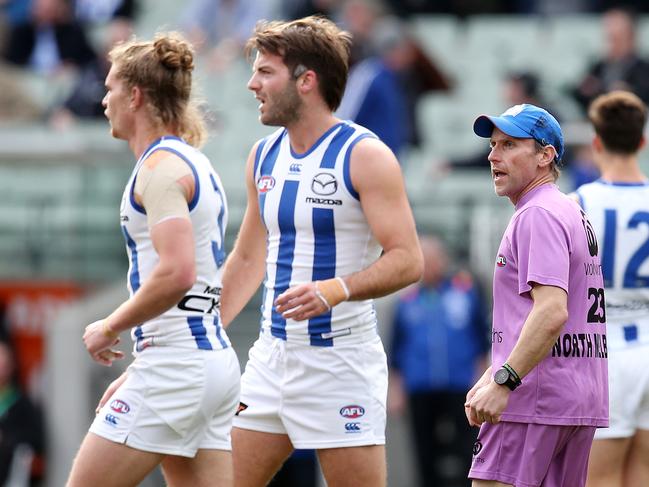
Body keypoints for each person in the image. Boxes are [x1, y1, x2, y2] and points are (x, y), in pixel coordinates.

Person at [219, 15, 423, 487]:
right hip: (271, 359)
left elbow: (408, 259)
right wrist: (202, 333)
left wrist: (337, 289)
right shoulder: (262, 155)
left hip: (341, 363)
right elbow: (247, 259)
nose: (252, 84)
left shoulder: (365, 155)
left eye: (265, 72)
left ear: (306, 81)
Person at [65, 31, 240, 487]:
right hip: (207, 362)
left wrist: (109, 326)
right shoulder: (192, 161)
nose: (104, 99)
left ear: (136, 95)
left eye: (110, 88)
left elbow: (177, 271)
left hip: (177, 366)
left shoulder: (160, 170)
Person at [466, 103, 609, 487]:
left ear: (546, 155)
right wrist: (491, 373)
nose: (494, 155)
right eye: (494, 145)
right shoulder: (568, 210)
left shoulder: (536, 214)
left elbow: (551, 312)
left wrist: (504, 381)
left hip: (534, 399)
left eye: (510, 145)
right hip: (577, 396)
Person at [575, 91, 649, 487]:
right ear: (642, 142)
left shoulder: (577, 203)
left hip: (605, 350)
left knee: (599, 478)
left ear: (596, 141)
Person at [388, 235, 489, 487]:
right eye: (424, 261)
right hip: (419, 387)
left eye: (433, 260)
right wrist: (396, 391)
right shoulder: (406, 301)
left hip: (461, 387)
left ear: (443, 261)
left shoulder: (464, 294)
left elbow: (482, 342)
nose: (429, 267)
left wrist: (482, 380)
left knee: (468, 447)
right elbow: (396, 351)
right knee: (424, 450)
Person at [572, 8, 649, 113]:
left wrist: (630, 92)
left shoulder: (643, 69)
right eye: (610, 38)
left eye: (618, 39)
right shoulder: (599, 67)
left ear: (631, 37)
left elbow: (644, 94)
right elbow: (579, 95)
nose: (613, 45)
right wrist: (588, 91)